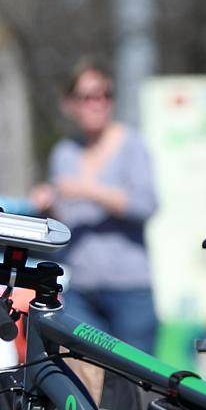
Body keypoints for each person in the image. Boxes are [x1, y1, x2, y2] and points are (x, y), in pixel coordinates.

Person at [30, 59, 160, 354]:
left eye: (104, 95)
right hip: (80, 288)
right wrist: (46, 207)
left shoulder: (132, 145)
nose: (97, 103)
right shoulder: (64, 153)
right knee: (84, 373)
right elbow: (64, 222)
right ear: (70, 104)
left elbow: (147, 204)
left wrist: (88, 189)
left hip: (130, 290)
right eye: (87, 96)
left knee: (137, 383)